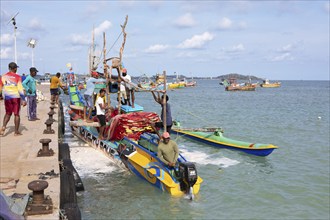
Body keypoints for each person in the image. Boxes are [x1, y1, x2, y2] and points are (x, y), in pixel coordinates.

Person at [0, 62, 27, 136]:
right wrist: (24, 99)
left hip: (7, 98)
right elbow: (20, 89)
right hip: (16, 97)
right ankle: (16, 132)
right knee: (17, 114)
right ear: (15, 68)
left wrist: (1, 95)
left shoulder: (3, 76)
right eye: (16, 68)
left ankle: (3, 126)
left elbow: (0, 87)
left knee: (8, 113)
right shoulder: (18, 77)